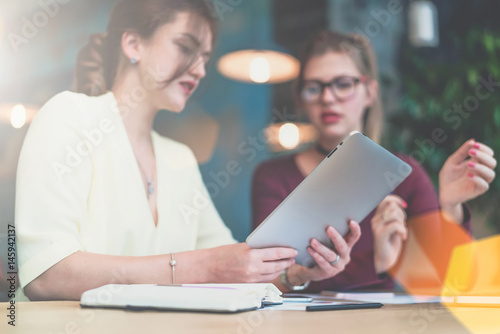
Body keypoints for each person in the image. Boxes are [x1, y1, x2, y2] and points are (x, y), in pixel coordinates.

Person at [15, 1, 361, 301]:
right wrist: (204, 265)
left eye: (205, 57)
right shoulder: (69, 116)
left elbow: (236, 271)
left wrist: (297, 274)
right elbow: (46, 274)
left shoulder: (178, 159)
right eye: (185, 47)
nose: (199, 69)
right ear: (133, 43)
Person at [252, 30, 497, 292]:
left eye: (343, 83)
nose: (327, 97)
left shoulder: (404, 174)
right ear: (301, 97)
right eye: (314, 87)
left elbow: (455, 281)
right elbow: (266, 279)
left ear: (369, 92)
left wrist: (451, 207)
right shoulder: (272, 176)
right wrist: (377, 263)